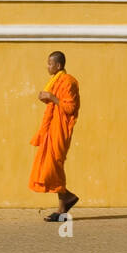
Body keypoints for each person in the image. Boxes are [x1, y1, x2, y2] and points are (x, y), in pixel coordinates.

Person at [29, 51, 80, 221]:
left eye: (50, 64)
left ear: (58, 66)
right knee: (52, 168)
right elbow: (54, 103)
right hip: (52, 129)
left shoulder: (69, 82)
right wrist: (48, 98)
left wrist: (52, 97)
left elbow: (70, 108)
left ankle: (66, 201)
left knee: (54, 167)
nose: (47, 67)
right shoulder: (54, 81)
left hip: (61, 131)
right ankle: (63, 207)